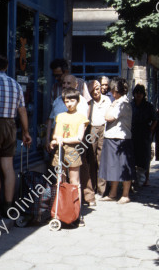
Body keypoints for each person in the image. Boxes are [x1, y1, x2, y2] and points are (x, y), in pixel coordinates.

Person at [0, 55, 32, 220]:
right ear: (6, 67)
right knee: (8, 167)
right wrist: (26, 132)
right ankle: (9, 206)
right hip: (11, 126)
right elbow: (22, 110)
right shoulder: (16, 85)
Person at [48, 88, 90, 226]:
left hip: (73, 150)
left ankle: (77, 213)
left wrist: (62, 140)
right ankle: (60, 211)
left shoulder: (81, 118)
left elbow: (79, 137)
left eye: (72, 100)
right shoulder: (60, 116)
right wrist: (54, 141)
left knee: (74, 182)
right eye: (67, 101)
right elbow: (55, 135)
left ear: (77, 101)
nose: (69, 103)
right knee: (59, 180)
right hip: (60, 150)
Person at [99, 77, 134, 204]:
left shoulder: (122, 103)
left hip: (121, 138)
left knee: (124, 166)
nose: (113, 94)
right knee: (114, 167)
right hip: (112, 137)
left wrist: (111, 105)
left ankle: (125, 195)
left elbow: (108, 117)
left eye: (115, 91)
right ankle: (113, 193)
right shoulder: (118, 102)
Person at [81, 80, 112, 206]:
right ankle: (92, 187)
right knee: (91, 159)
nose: (96, 91)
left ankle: (102, 189)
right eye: (93, 89)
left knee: (102, 159)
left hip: (103, 128)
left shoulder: (106, 100)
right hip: (92, 129)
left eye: (98, 89)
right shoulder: (88, 102)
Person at [45, 74, 89, 152]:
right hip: (56, 141)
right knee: (56, 163)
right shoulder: (57, 100)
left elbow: (83, 126)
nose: (65, 85)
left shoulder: (81, 102)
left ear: (76, 85)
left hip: (74, 144)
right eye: (64, 83)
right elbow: (50, 120)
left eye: (68, 83)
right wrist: (47, 139)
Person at [131, 84, 158, 187]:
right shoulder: (130, 105)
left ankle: (146, 178)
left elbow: (155, 119)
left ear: (143, 94)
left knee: (145, 156)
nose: (138, 94)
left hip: (144, 133)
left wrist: (151, 129)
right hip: (133, 132)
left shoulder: (148, 106)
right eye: (137, 92)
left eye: (140, 93)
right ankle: (133, 178)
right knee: (133, 155)